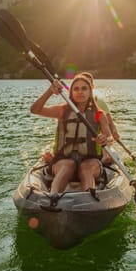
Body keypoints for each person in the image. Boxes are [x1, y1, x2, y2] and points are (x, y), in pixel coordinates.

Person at [31, 73, 113, 202]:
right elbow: (35, 110)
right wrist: (49, 92)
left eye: (84, 88)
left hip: (90, 161)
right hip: (63, 160)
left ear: (90, 91)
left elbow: (109, 138)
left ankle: (89, 199)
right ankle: (53, 197)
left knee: (86, 167)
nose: (80, 92)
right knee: (67, 165)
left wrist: (105, 139)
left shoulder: (99, 114)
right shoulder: (62, 111)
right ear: (71, 92)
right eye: (76, 88)